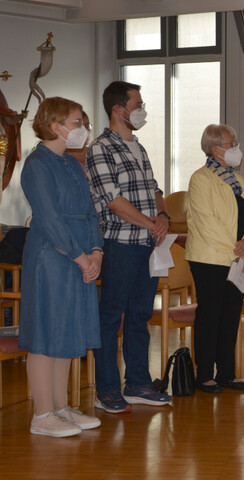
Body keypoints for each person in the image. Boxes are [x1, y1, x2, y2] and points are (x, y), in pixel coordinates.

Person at [19, 97, 103, 437]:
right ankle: (42, 415)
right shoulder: (37, 164)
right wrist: (81, 257)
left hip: (79, 255)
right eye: (77, 122)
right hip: (51, 258)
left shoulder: (72, 163)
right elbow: (49, 218)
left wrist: (96, 251)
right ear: (56, 126)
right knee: (46, 334)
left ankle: (60, 407)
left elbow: (90, 212)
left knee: (68, 331)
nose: (83, 128)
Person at [85, 81, 171, 413]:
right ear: (118, 109)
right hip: (119, 244)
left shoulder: (139, 147)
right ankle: (106, 390)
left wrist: (162, 215)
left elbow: (155, 189)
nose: (142, 110)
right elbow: (113, 200)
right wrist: (150, 223)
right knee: (110, 318)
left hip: (148, 246)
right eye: (138, 104)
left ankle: (137, 384)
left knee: (139, 317)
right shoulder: (101, 148)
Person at [185, 124, 244, 393]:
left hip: (236, 258)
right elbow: (207, 222)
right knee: (210, 315)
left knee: (230, 316)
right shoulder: (201, 179)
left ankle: (227, 374)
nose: (236, 149)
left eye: (236, 143)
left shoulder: (236, 180)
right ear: (215, 148)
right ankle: (204, 374)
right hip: (210, 258)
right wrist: (236, 248)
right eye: (231, 144)